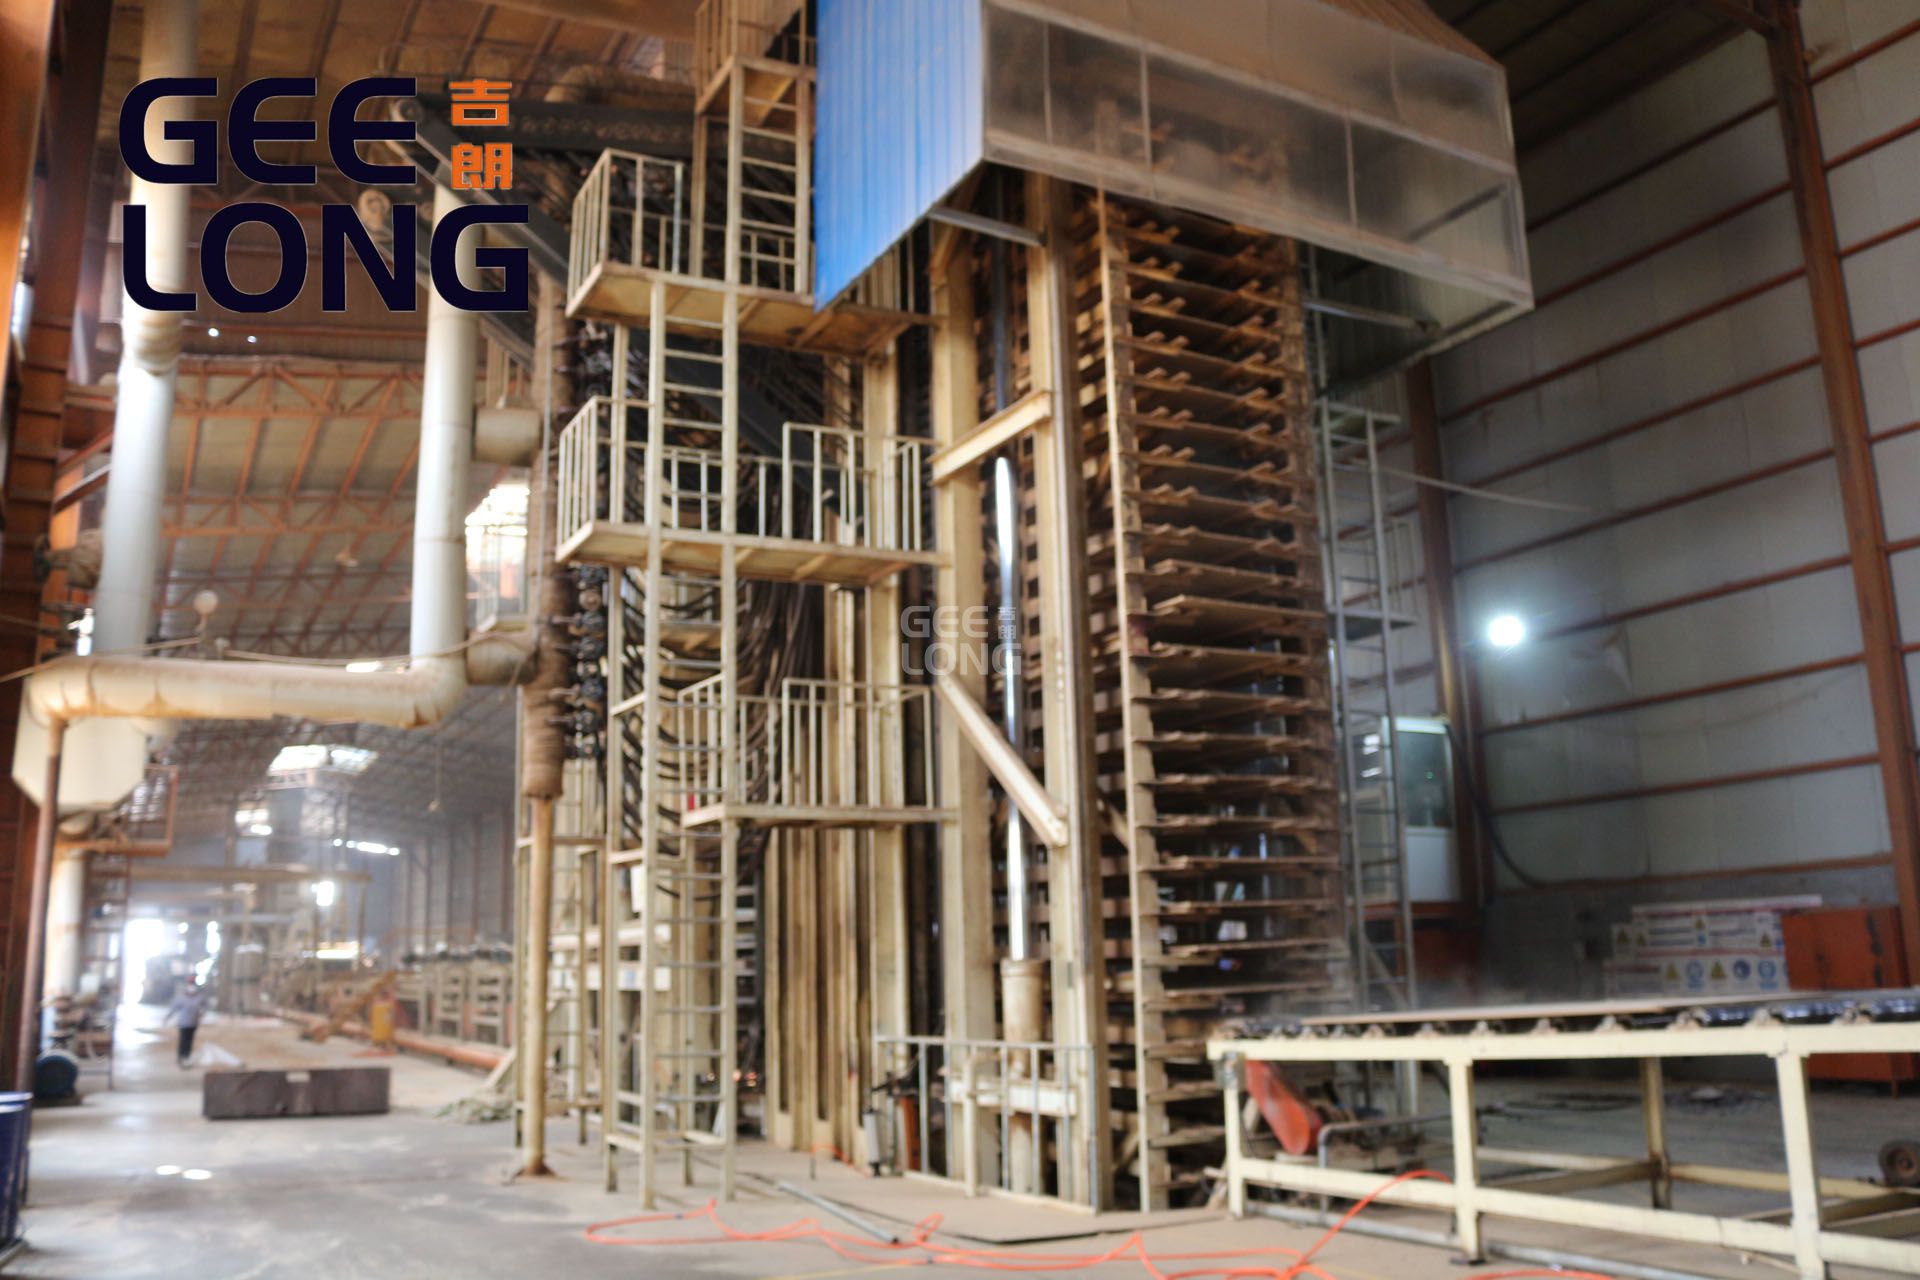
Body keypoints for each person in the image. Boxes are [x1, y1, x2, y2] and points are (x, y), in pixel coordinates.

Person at [163, 981, 206, 1068]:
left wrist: (202, 1013)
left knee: (189, 1041)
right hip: (183, 1023)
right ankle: (181, 1056)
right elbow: (173, 1009)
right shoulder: (181, 999)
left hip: (193, 1023)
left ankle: (187, 1056)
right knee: (183, 1040)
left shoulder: (199, 998)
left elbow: (204, 1007)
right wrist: (167, 1017)